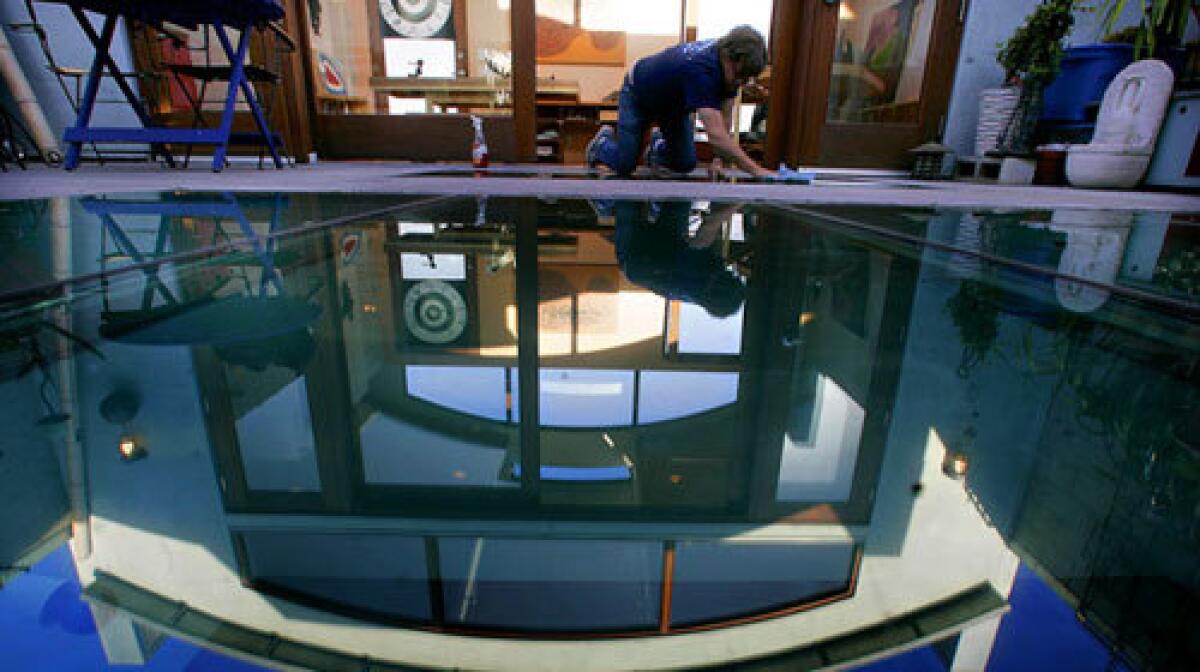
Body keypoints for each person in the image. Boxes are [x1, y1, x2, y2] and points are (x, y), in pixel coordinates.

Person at [586, 26, 775, 179]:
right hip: (638, 93)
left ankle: (658, 147)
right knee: (625, 165)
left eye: (745, 79)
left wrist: (719, 160)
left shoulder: (728, 69)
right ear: (730, 56)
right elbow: (716, 135)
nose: (740, 82)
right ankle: (601, 145)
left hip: (672, 106)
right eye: (740, 76)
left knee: (685, 163)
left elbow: (724, 119)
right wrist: (756, 170)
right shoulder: (701, 70)